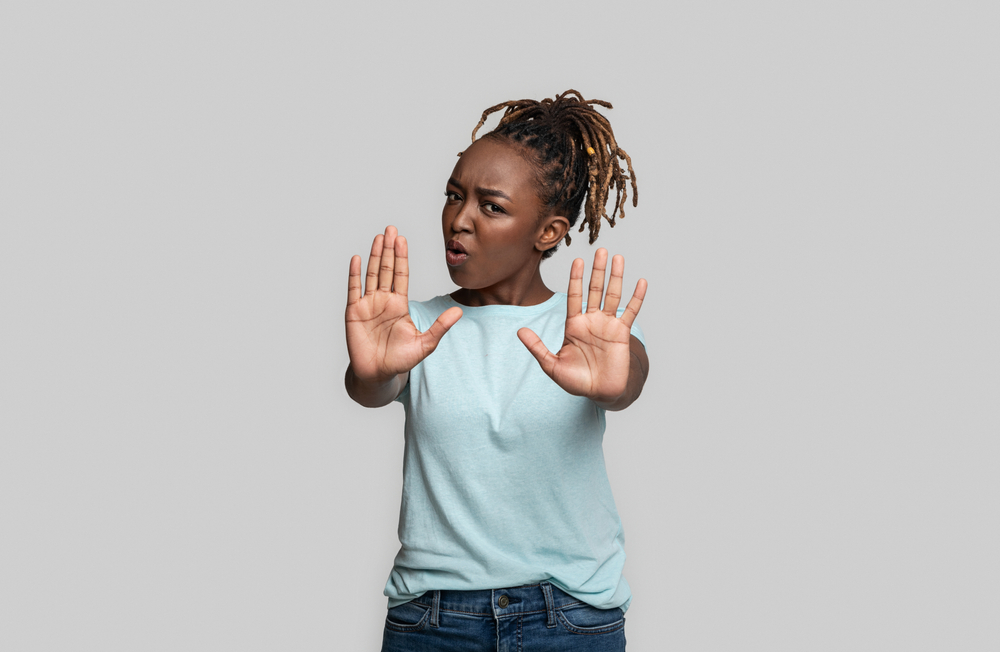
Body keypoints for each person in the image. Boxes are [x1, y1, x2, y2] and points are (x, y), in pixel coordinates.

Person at [345, 90, 649, 652]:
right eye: (454, 196)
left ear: (548, 232)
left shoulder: (586, 328)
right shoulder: (412, 327)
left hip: (569, 618)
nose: (458, 220)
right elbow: (370, 386)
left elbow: (626, 380)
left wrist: (619, 379)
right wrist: (368, 372)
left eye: (491, 206)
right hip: (434, 620)